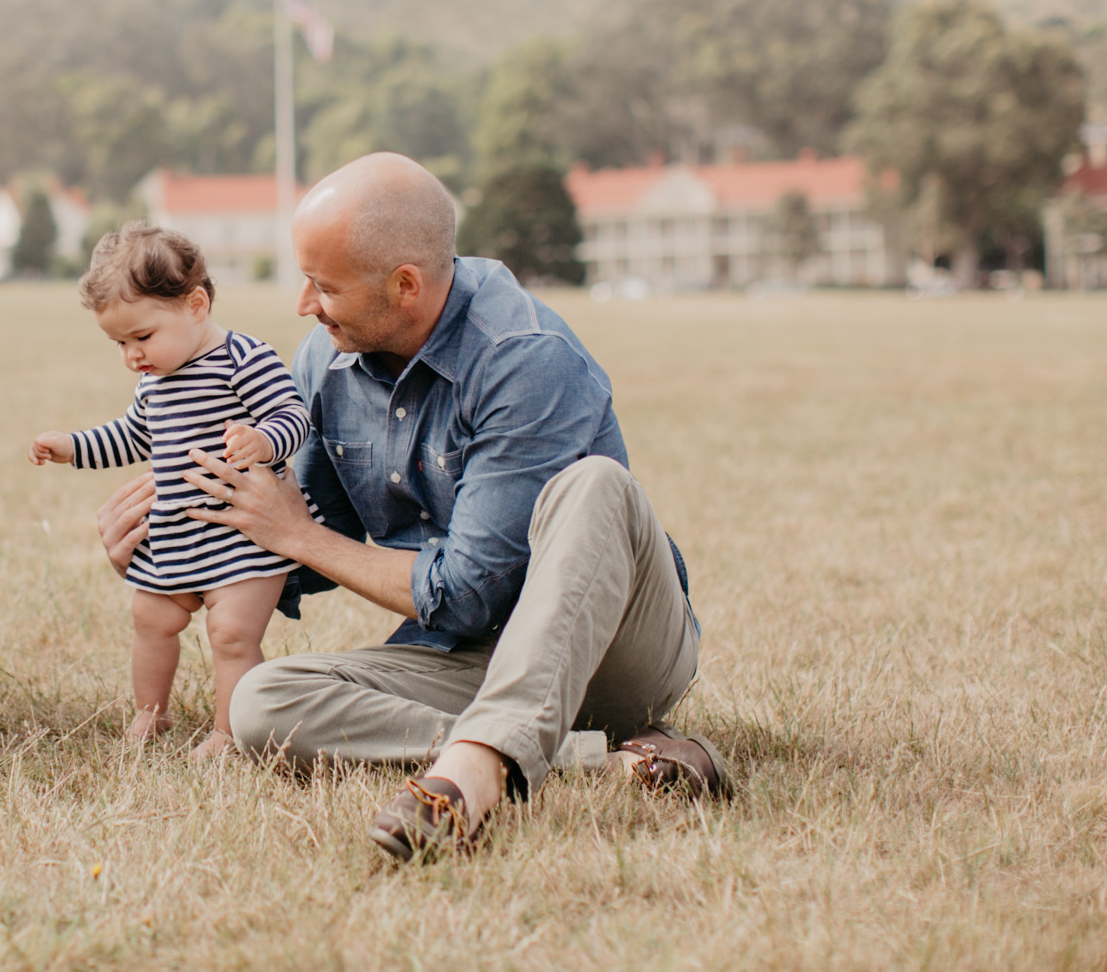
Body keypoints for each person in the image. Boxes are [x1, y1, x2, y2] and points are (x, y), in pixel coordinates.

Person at [94, 153, 731, 861]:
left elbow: (464, 590)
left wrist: (299, 535)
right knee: (260, 703)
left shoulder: (524, 355)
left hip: (607, 651)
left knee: (597, 486)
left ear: (405, 286)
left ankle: (473, 771)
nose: (303, 304)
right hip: (464, 663)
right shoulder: (322, 360)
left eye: (323, 285)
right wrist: (177, 543)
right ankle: (598, 761)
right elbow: (306, 544)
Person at [31, 223, 310, 758]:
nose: (133, 355)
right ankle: (149, 716)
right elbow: (132, 436)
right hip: (177, 535)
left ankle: (229, 735)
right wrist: (72, 446)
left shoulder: (242, 358)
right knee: (150, 616)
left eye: (142, 336)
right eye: (120, 343)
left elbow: (293, 415)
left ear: (196, 304)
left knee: (230, 632)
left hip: (242, 538)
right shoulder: (155, 380)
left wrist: (264, 439)